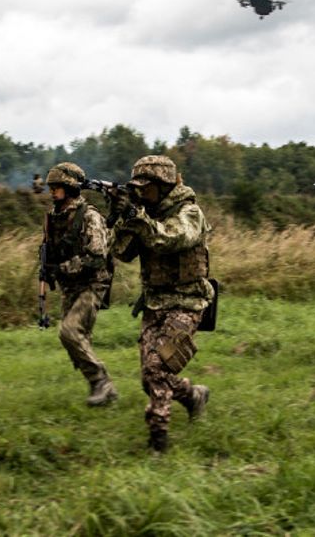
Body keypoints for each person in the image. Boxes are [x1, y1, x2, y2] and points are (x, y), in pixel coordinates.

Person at [111, 155, 213, 453]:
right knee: (151, 377)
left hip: (188, 305)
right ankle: (194, 395)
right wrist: (123, 217)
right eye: (137, 189)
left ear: (165, 186)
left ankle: (158, 440)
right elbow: (122, 252)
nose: (142, 193)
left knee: (157, 369)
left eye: (147, 188)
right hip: (154, 305)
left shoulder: (190, 213)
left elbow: (169, 239)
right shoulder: (146, 215)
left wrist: (139, 218)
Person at [41, 162, 117, 407]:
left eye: (58, 187)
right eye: (51, 188)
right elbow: (49, 247)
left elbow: (96, 258)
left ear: (71, 187)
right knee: (75, 340)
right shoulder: (54, 217)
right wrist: (46, 267)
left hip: (92, 283)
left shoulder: (90, 216)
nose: (53, 192)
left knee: (70, 332)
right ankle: (102, 389)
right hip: (70, 285)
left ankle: (101, 382)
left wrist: (62, 268)